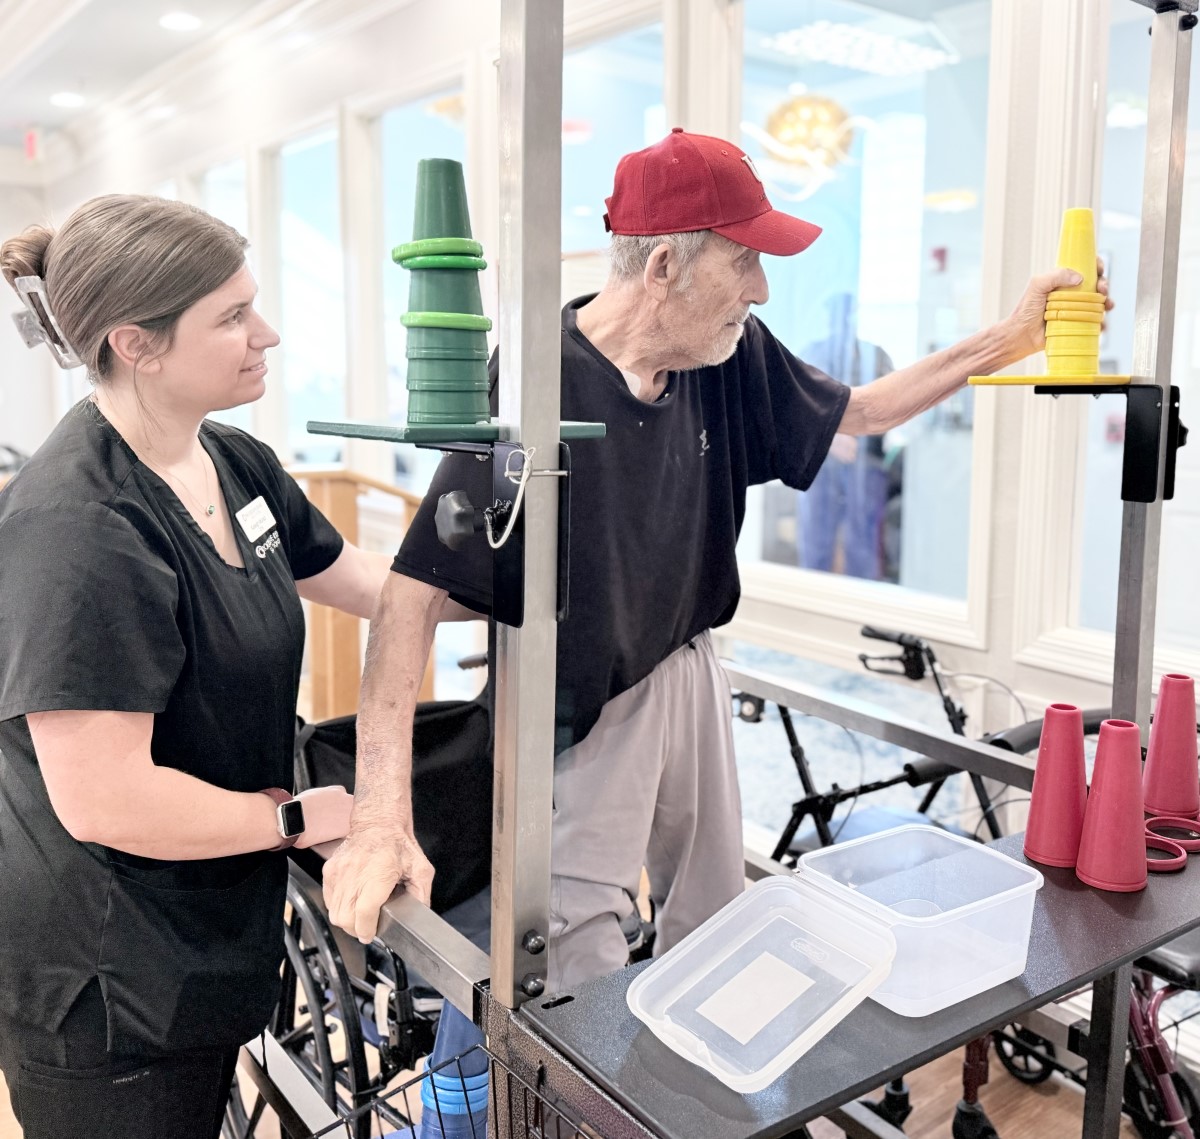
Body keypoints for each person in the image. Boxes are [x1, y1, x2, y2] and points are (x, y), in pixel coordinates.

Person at [322, 128, 1113, 994]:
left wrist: (1009, 339)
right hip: (581, 699)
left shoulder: (729, 353)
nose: (762, 289)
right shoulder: (540, 383)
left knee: (718, 917)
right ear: (663, 266)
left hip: (688, 656)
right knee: (578, 950)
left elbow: (866, 411)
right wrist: (377, 818)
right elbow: (411, 595)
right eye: (744, 262)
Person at [0, 196, 393, 1138]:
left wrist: (511, 581)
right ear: (136, 344)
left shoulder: (231, 462)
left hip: (200, 936)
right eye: (231, 317)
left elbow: (353, 575)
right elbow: (105, 799)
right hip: (109, 982)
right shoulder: (81, 528)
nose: (269, 333)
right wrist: (296, 816)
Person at [795, 292, 894, 579]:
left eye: (847, 314)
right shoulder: (811, 354)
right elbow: (795, 407)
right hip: (820, 466)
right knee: (816, 545)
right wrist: (830, 438)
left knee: (863, 547)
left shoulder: (876, 357)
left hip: (866, 465)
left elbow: (891, 408)